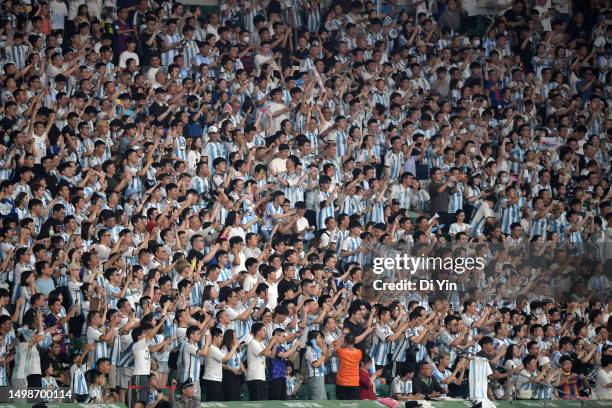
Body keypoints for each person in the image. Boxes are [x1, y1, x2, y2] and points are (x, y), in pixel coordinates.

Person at [201, 326, 240, 402]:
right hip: (211, 379)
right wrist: (235, 346)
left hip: (216, 379)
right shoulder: (211, 348)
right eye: (220, 337)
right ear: (215, 337)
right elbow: (226, 358)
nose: (222, 339)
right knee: (213, 403)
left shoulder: (216, 349)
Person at [335, 333, 362, 400]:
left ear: (345, 341)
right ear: (354, 342)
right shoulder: (359, 352)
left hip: (342, 382)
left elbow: (336, 345)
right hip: (354, 383)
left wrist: (343, 335)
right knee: (353, 405)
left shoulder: (341, 351)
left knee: (342, 405)